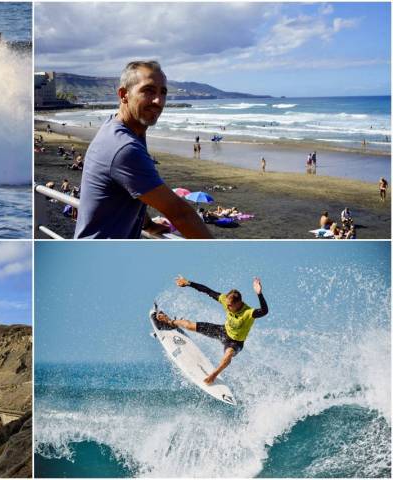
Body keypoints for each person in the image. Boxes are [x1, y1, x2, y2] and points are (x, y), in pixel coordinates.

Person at [74, 60, 212, 239]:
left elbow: (128, 189)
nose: (158, 101)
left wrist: (146, 224)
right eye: (148, 91)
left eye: (163, 93)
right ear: (124, 94)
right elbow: (180, 213)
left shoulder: (120, 126)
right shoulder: (124, 147)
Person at [156, 275, 268, 385]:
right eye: (227, 305)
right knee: (190, 325)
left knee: (228, 354)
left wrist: (259, 294)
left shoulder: (248, 313)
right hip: (223, 331)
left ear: (238, 303)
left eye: (230, 306)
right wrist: (189, 283)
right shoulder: (225, 300)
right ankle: (170, 322)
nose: (227, 307)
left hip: (236, 342)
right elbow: (207, 290)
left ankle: (213, 375)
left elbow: (264, 311)